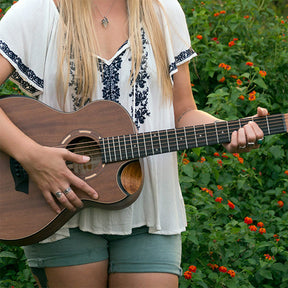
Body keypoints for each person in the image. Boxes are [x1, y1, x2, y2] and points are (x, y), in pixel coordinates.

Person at [0, 0, 267, 287]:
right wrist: (31, 157)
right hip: (61, 208)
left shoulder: (163, 10)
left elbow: (184, 112)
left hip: (151, 210)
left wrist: (224, 131)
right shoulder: (36, 11)